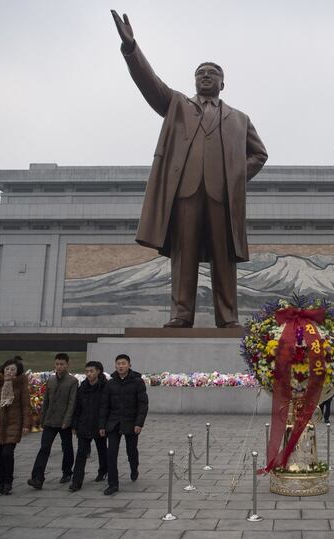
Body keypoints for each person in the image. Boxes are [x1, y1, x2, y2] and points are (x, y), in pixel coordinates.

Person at [111, 10, 268, 328]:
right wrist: (131, 48)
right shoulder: (177, 105)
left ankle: (228, 317)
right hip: (185, 193)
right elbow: (149, 83)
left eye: (213, 72)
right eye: (201, 72)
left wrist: (234, 178)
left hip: (221, 196)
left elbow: (259, 154)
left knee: (224, 258)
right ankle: (182, 314)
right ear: (195, 80)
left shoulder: (239, 118)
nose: (206, 76)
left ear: (223, 82)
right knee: (184, 257)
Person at [99, 354, 149, 495]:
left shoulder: (137, 382)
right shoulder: (110, 383)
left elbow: (143, 405)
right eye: (118, 363)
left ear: (129, 365)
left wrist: (139, 423)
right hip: (113, 423)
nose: (121, 366)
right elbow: (104, 406)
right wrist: (102, 425)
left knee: (131, 451)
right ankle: (113, 484)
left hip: (131, 423)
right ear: (115, 366)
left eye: (123, 363)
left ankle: (134, 468)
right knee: (111, 453)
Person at [28, 353, 78, 490]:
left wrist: (67, 421)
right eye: (57, 364)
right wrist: (42, 419)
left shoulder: (72, 381)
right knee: (44, 448)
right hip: (50, 420)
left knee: (67, 448)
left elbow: (72, 403)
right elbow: (46, 402)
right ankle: (37, 477)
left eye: (62, 364)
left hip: (64, 422)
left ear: (67, 365)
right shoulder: (50, 380)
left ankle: (67, 472)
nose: (59, 366)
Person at [0, 357, 31, 496]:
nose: (9, 372)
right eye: (7, 369)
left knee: (7, 453)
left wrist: (26, 424)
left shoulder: (21, 387)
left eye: (13, 369)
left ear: (17, 372)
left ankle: (8, 483)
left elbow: (26, 406)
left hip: (13, 424)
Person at [69, 361, 108, 492]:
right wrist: (74, 425)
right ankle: (76, 482)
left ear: (98, 372)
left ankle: (103, 471)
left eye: (92, 371)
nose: (89, 374)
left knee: (102, 450)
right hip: (84, 425)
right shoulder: (82, 388)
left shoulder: (105, 387)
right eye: (87, 371)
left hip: (99, 425)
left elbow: (106, 408)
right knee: (81, 453)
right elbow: (77, 408)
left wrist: (104, 425)